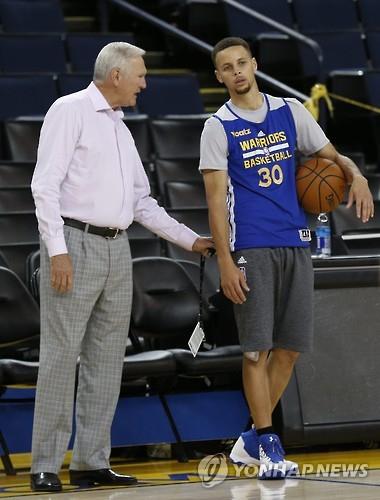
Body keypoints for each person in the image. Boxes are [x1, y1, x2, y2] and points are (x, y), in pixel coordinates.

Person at [30, 41, 214, 492]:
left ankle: (91, 461)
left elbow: (141, 204)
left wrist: (192, 241)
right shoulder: (68, 110)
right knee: (60, 358)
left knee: (106, 361)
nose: (144, 83)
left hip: (117, 249)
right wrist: (57, 251)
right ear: (116, 75)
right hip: (74, 242)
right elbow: (44, 186)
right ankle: (45, 465)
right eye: (140, 75)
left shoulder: (120, 126)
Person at [199, 37, 374, 480]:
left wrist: (358, 178)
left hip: (297, 242)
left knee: (290, 349)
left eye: (242, 63)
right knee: (256, 350)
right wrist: (224, 260)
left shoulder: (291, 111)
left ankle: (248, 444)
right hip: (251, 248)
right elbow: (216, 204)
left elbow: (332, 158)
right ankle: (269, 441)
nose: (237, 71)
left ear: (254, 65)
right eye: (227, 67)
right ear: (218, 76)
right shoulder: (218, 127)